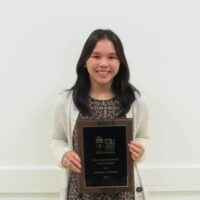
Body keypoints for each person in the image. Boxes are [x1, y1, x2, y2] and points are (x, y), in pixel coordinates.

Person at [49, 29, 150, 200]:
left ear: (120, 63)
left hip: (124, 194)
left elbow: (143, 137)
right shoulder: (66, 101)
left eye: (111, 57)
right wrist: (64, 155)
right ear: (84, 61)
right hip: (79, 194)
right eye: (96, 57)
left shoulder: (136, 101)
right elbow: (56, 139)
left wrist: (141, 150)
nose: (104, 63)